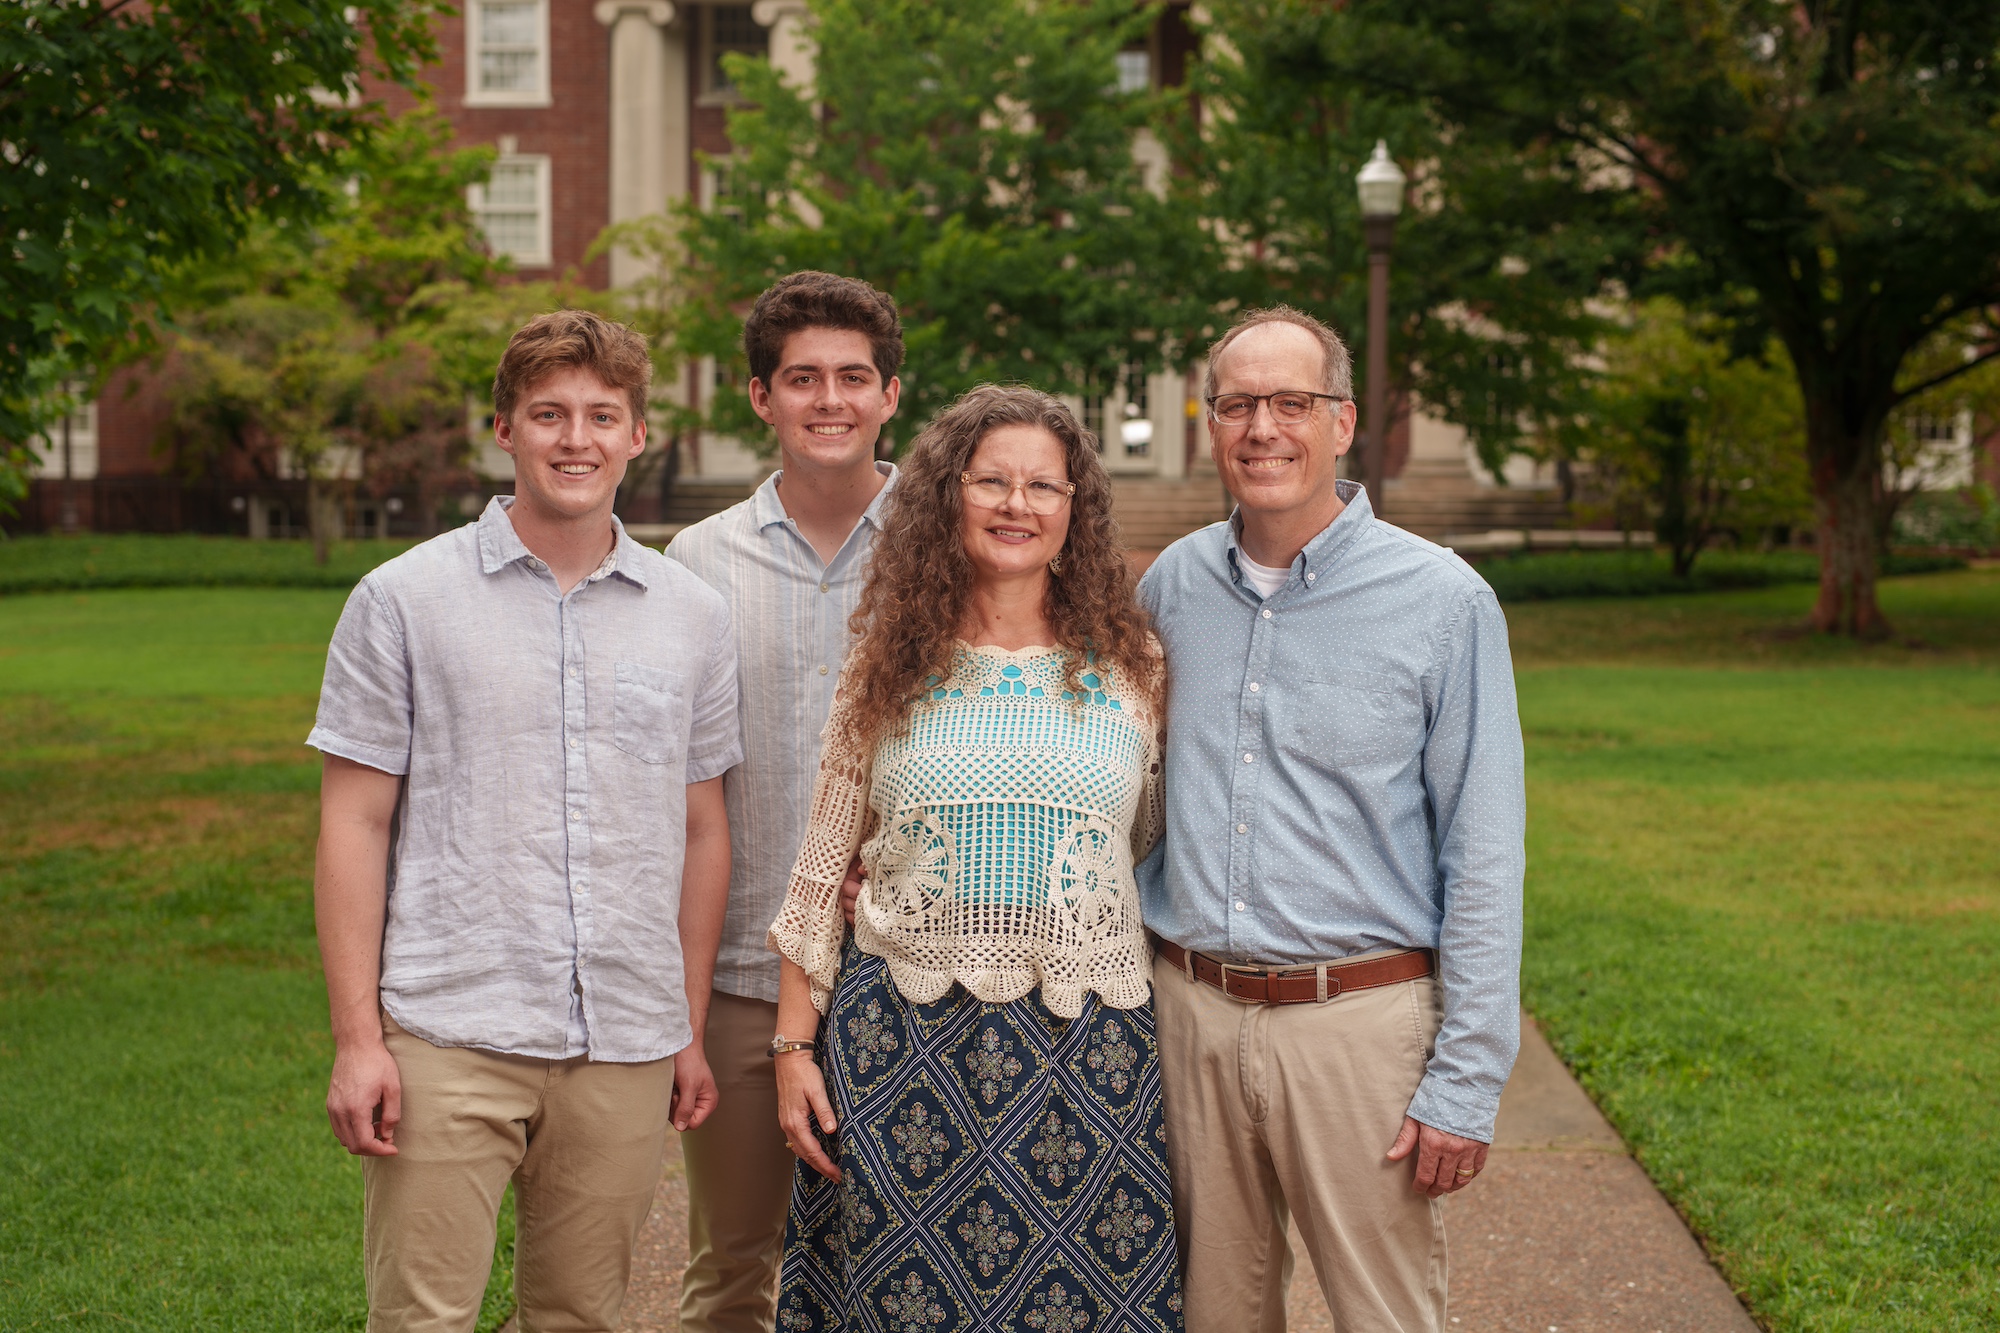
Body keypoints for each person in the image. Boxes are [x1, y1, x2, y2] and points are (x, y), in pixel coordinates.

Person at [308, 309, 740, 1332]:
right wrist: (358, 1039)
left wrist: (681, 1028)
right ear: (502, 428)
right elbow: (352, 826)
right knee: (420, 1319)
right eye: (548, 413)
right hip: (450, 1031)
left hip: (625, 1042)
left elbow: (701, 834)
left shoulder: (691, 614)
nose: (575, 438)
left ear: (639, 434)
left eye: (602, 414)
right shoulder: (400, 599)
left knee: (582, 1318)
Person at [1136, 306, 1525, 1333]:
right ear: (1208, 423)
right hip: (1192, 1017)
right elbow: (1114, 789)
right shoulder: (1168, 587)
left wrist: (1465, 1080)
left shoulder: (1444, 603)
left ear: (1342, 423)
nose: (1261, 427)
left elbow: (1482, 854)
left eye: (1289, 402)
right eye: (1236, 404)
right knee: (1212, 1317)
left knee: (1382, 1319)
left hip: (1360, 1028)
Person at [767, 385, 1185, 1332]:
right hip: (903, 1043)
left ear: (1076, 507)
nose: (1016, 504)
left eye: (1044, 484)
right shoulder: (886, 662)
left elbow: (1149, 847)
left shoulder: (1135, 669)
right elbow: (819, 863)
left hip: (1088, 1047)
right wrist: (795, 1047)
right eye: (990, 480)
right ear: (945, 497)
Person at [664, 271, 905, 1333]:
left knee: (909, 1259)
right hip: (742, 981)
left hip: (911, 979)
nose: (828, 400)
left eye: (853, 377)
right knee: (730, 1270)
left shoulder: (945, 545)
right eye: (801, 378)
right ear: (759, 398)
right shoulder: (693, 565)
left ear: (890, 395)